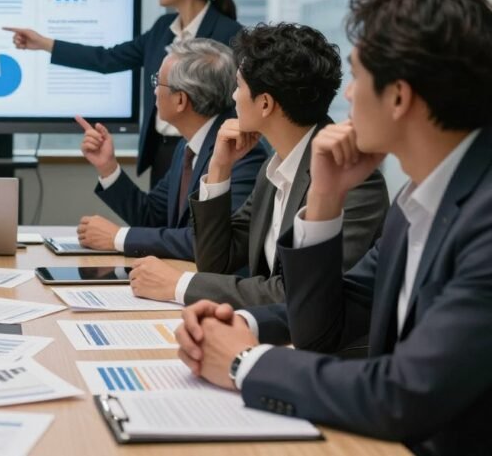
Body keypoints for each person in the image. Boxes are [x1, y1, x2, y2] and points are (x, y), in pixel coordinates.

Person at [175, 0, 492, 455]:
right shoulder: (418, 199)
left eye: (358, 77)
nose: (347, 96)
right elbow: (323, 329)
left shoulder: (484, 217)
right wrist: (324, 198)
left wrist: (245, 362)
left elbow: (406, 393)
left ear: (399, 97)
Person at [129, 23, 388, 309]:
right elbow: (217, 261)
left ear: (265, 104)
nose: (233, 97)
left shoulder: (353, 181)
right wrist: (219, 168)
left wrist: (179, 285)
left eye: (239, 86)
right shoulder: (274, 168)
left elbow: (302, 294)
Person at [6, 0, 242, 186]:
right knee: (158, 222)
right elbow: (107, 59)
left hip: (208, 154)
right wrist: (44, 44)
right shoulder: (163, 29)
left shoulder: (229, 34)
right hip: (163, 153)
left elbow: (238, 103)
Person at [75, 38, 266, 259]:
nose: (155, 91)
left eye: (158, 82)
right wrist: (108, 167)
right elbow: (152, 216)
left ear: (180, 100)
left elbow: (212, 241)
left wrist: (120, 237)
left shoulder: (242, 152)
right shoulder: (188, 146)